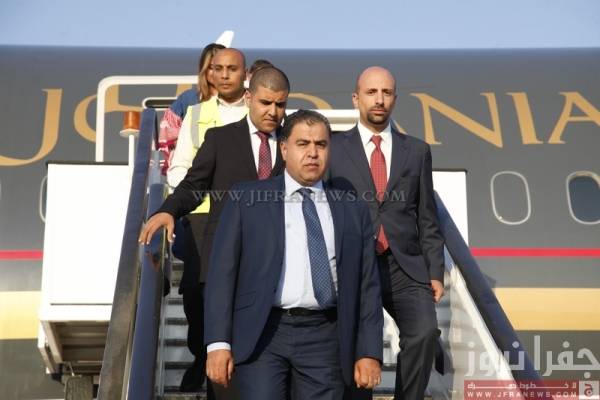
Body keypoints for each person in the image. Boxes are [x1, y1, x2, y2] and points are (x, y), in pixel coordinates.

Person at [204, 110, 384, 400]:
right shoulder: (246, 199)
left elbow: (368, 286)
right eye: (303, 144)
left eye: (321, 144)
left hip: (326, 336)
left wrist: (369, 351)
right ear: (284, 149)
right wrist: (217, 343)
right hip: (262, 334)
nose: (313, 153)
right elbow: (221, 276)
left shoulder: (352, 208)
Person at [139, 66, 289, 395]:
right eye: (265, 102)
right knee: (222, 369)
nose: (273, 112)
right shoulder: (221, 139)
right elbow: (194, 185)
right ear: (248, 98)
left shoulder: (293, 140)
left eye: (280, 104)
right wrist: (168, 210)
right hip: (227, 262)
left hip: (279, 266)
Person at [328, 66, 445, 399]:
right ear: (356, 98)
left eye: (386, 93)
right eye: (371, 92)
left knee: (425, 333)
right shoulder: (333, 147)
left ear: (395, 98)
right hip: (353, 262)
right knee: (353, 343)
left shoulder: (417, 151)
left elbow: (427, 216)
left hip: (403, 265)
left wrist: (435, 271)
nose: (379, 100)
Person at [158, 43, 225, 175]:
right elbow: (166, 134)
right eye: (211, 67)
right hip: (193, 174)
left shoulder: (244, 101)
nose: (217, 73)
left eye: (221, 67)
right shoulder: (188, 99)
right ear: (203, 69)